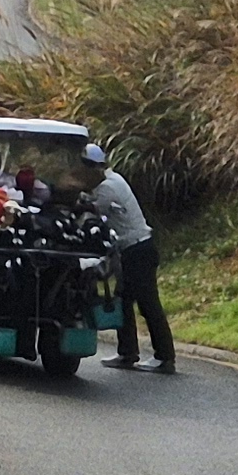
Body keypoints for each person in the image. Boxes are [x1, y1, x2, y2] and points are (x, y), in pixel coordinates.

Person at [87, 142, 173, 373]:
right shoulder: (113, 178)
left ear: (94, 167)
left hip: (137, 250)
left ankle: (164, 357)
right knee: (123, 301)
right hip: (136, 249)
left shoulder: (106, 188)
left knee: (148, 304)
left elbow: (90, 211)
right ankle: (128, 353)